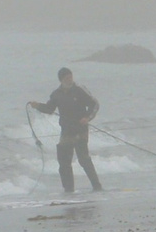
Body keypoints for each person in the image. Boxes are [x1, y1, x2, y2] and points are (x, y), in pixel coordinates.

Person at [29, 66, 104, 194]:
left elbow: (94, 104)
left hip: (81, 131)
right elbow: (49, 109)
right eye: (67, 78)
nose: (70, 79)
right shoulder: (56, 94)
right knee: (64, 162)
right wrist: (37, 106)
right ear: (61, 80)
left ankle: (97, 186)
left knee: (84, 160)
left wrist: (87, 117)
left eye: (71, 76)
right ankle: (69, 190)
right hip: (66, 132)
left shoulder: (80, 90)